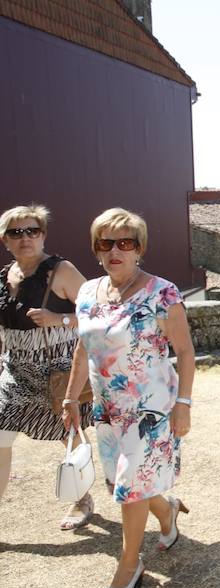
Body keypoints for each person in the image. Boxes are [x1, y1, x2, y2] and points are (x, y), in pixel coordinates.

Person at [63, 208, 195, 588]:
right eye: (106, 243)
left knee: (130, 485)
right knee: (124, 483)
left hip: (151, 410)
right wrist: (72, 396)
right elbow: (83, 347)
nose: (115, 250)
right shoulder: (88, 293)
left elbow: (185, 352)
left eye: (126, 243)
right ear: (96, 249)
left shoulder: (162, 292)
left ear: (140, 249)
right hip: (107, 409)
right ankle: (166, 510)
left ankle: (129, 562)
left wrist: (183, 404)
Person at [0, 205, 93, 530]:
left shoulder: (61, 271)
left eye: (32, 231)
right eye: (16, 232)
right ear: (5, 240)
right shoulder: (2, 278)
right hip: (15, 375)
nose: (25, 238)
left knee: (70, 435)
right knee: (0, 437)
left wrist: (60, 319)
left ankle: (82, 498)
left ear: (43, 235)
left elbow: (100, 312)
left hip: (58, 374)